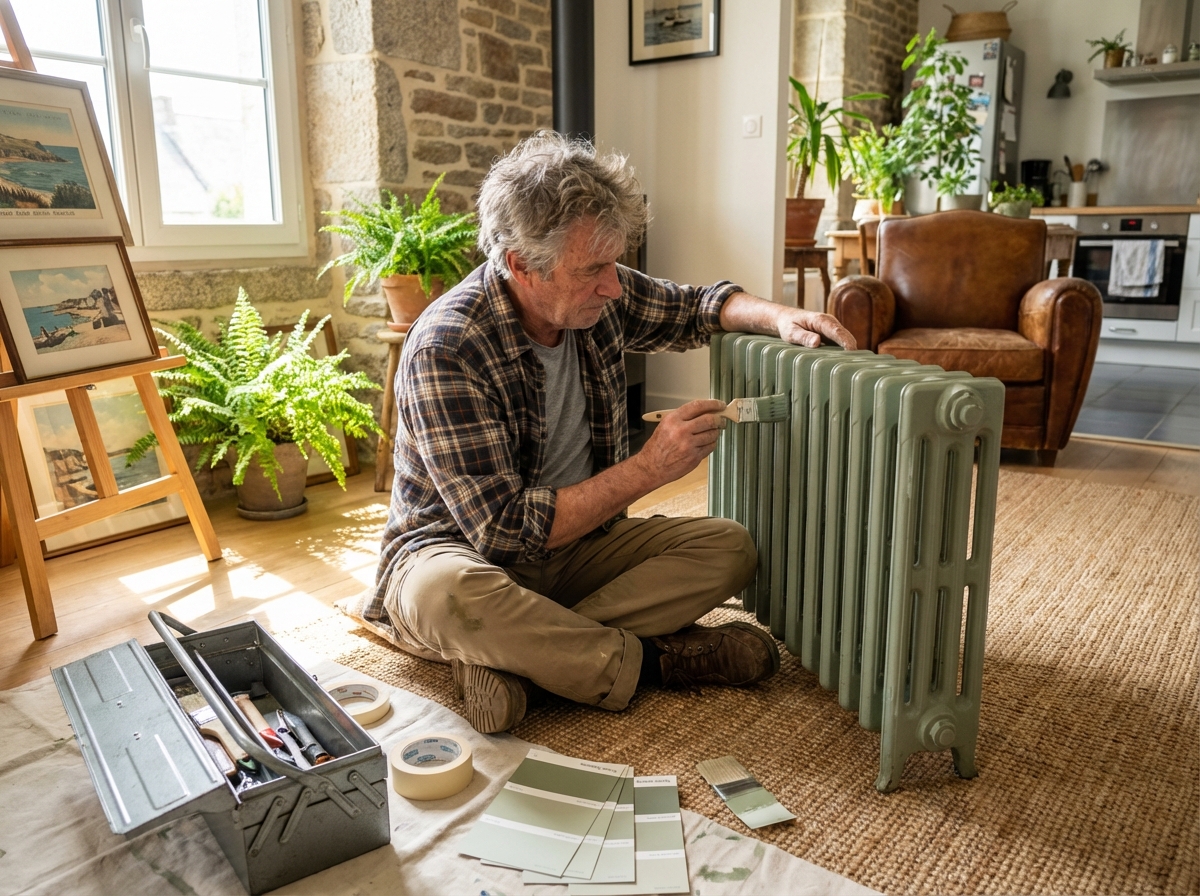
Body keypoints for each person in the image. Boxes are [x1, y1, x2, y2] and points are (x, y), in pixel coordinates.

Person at [364, 131, 855, 733]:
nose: (615, 287)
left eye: (615, 263)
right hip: (460, 554)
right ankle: (655, 661)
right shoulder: (448, 346)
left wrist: (782, 313)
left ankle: (522, 661)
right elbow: (502, 532)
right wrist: (650, 469)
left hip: (577, 548)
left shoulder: (596, 298)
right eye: (594, 269)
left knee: (729, 547)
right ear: (521, 265)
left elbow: (695, 306)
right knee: (446, 598)